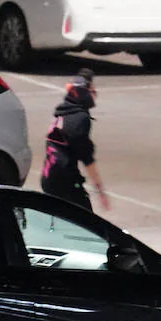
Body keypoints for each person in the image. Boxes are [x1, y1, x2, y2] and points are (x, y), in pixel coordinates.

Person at [39, 68, 109, 213]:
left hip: (49, 179)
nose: (95, 94)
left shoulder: (64, 113)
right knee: (87, 223)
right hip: (64, 183)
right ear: (83, 95)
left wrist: (85, 76)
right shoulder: (79, 120)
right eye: (92, 91)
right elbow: (86, 157)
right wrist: (99, 190)